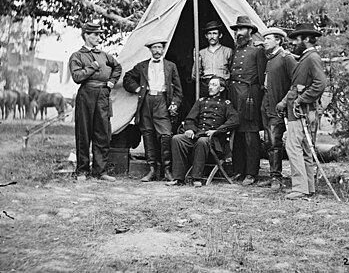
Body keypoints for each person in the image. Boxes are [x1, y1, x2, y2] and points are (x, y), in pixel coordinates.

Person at [276, 23, 327, 200]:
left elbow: (320, 84)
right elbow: (295, 86)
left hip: (302, 112)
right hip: (298, 111)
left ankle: (299, 188)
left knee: (293, 147)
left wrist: (300, 100)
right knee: (305, 149)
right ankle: (308, 187)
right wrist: (284, 102)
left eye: (296, 39)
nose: (293, 43)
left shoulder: (312, 58)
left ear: (306, 39)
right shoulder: (305, 58)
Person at [123, 36, 183, 182]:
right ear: (150, 50)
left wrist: (174, 104)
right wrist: (138, 89)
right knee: (148, 135)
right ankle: (152, 170)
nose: (157, 51)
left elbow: (178, 91)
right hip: (146, 101)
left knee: (166, 135)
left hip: (162, 101)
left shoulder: (170, 66)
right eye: (154, 48)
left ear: (163, 49)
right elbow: (127, 78)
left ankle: (167, 170)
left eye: (159, 47)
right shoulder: (142, 66)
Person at [69, 21, 122, 182]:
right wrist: (93, 66)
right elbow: (77, 77)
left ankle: (100, 171)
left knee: (103, 134)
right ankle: (82, 171)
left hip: (103, 96)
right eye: (96, 35)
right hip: (86, 95)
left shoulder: (104, 55)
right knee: (84, 134)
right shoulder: (77, 56)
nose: (99, 37)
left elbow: (117, 67)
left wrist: (111, 83)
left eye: (99, 34)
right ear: (86, 35)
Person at [167, 76, 239, 187]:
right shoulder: (201, 101)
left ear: (221, 89)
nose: (210, 87)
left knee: (202, 141)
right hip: (198, 134)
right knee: (177, 139)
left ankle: (197, 178)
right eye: (209, 85)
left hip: (215, 140)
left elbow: (235, 120)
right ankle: (178, 178)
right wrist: (190, 129)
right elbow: (190, 118)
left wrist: (217, 131)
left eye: (214, 85)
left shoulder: (226, 104)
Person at [228, 16, 267, 186]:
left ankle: (251, 173)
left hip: (249, 97)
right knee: (236, 134)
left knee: (250, 136)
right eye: (236, 30)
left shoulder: (257, 51)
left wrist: (255, 99)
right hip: (234, 95)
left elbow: (260, 78)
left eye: (241, 29)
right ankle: (239, 170)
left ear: (250, 31)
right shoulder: (235, 50)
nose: (238, 33)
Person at [259, 27, 297, 190]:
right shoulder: (271, 58)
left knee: (275, 142)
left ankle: (277, 178)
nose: (265, 41)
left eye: (268, 39)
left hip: (278, 107)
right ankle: (273, 175)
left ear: (278, 40)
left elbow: (296, 83)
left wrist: (284, 102)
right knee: (268, 141)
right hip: (267, 104)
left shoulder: (286, 58)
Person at [192, 21, 233, 97]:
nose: (212, 36)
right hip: (206, 85)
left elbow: (232, 71)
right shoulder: (201, 53)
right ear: (206, 36)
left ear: (220, 35)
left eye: (214, 33)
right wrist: (196, 61)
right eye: (209, 34)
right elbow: (195, 76)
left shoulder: (228, 51)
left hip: (222, 85)